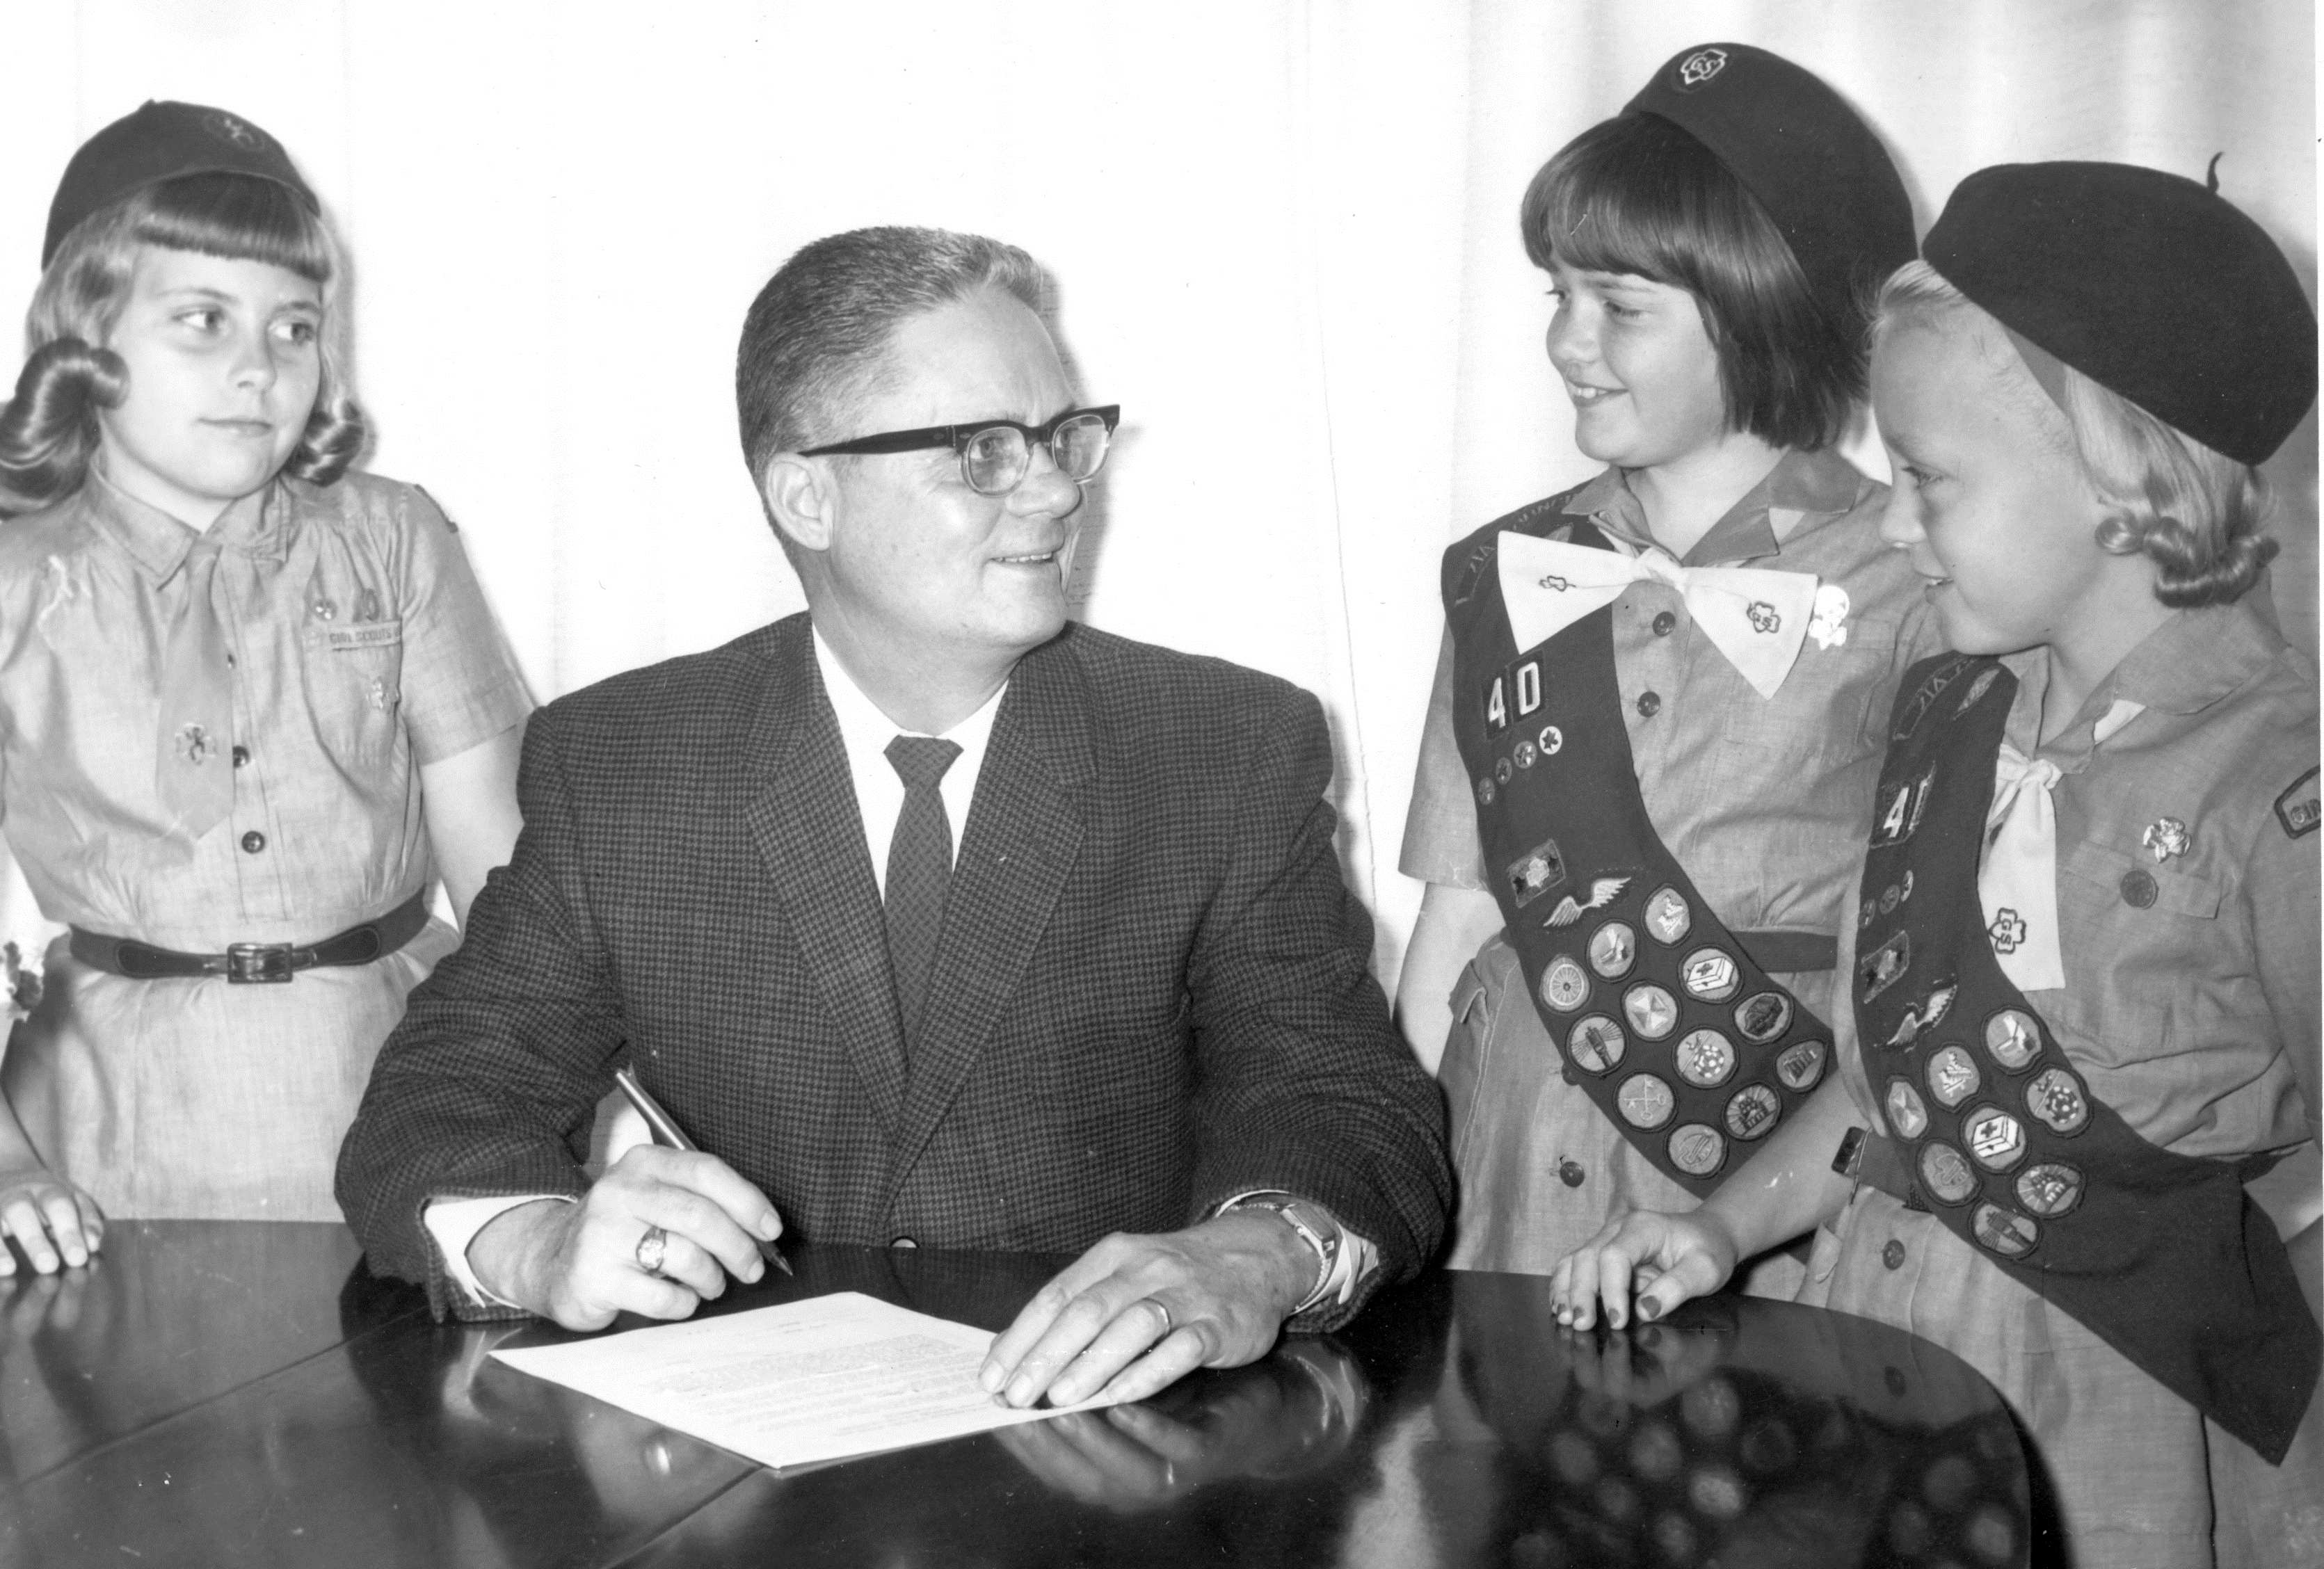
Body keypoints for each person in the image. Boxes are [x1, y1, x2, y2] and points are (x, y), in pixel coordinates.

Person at [334, 226, 1450, 1410]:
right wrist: (541, 1246)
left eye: (1066, 438)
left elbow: (1347, 1102)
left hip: (1119, 1452)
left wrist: (1257, 1255)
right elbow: (437, 1106)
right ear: (806, 494)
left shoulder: (1219, 749)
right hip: (756, 1465)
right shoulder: (626, 765)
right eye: (985, 452)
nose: (1063, 490)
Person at [1550, 161, 2321, 1568]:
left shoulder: (2281, 781)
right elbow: (1892, 1100)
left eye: (1928, 479)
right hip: (1878, 1375)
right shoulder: (1952, 709)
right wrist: (1724, 1230)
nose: (1895, 526)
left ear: (2121, 476)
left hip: (2118, 1434)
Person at [1394, 42, 1935, 1284]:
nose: (1570, 344)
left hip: (1762, 1194)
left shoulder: (1910, 578)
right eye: (1558, 297)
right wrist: (1394, 1199)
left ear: (1763, 311)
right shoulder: (1504, 570)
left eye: (1621, 306)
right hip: (1506, 1181)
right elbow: (1459, 911)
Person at [0, 101, 529, 1264]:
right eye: (202, 320)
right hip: (103, 1135)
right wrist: (6, 1168)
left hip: (390, 1090)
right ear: (87, 332)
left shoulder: (391, 538)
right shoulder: (14, 573)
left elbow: (505, 881)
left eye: (295, 328)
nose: (258, 369)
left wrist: (540, 1133)